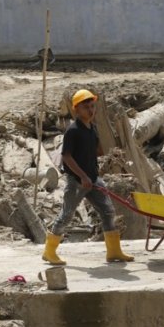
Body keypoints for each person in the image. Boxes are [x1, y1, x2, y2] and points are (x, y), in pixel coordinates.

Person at [42, 88, 134, 265]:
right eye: (86, 108)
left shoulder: (92, 128)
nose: (91, 111)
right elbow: (67, 157)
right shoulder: (73, 131)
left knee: (108, 212)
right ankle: (49, 251)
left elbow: (94, 150)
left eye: (93, 107)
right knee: (67, 215)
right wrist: (83, 176)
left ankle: (114, 252)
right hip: (76, 181)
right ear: (77, 110)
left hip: (93, 178)